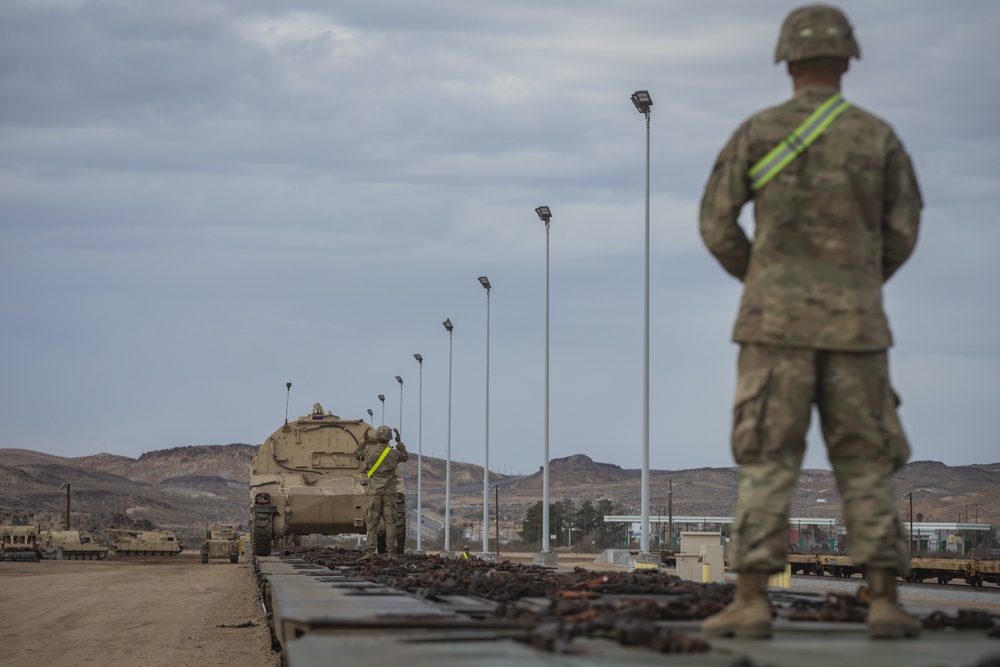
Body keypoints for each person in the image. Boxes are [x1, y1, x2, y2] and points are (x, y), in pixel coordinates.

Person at [698, 4, 922, 640]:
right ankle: (883, 600)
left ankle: (750, 600)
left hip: (773, 330)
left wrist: (764, 281)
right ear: (847, 59)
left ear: (787, 60)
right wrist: (857, 285)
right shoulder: (877, 137)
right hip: (857, 329)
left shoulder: (757, 132)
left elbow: (716, 223)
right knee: (865, 461)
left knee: (767, 458)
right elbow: (903, 229)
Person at [360, 425, 408, 557]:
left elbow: (358, 455)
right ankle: (391, 552)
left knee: (372, 523)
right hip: (389, 492)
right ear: (389, 438)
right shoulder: (394, 453)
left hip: (374, 492)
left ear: (376, 437)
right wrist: (399, 442)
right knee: (390, 523)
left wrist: (363, 441)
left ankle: (370, 552)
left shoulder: (369, 452)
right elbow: (405, 457)